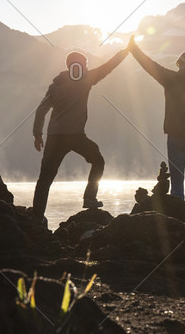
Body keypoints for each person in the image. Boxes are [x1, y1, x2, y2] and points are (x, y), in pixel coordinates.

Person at [31, 44, 130, 222]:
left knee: (45, 178)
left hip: (54, 137)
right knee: (98, 160)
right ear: (77, 65)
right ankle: (89, 199)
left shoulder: (55, 85)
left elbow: (41, 110)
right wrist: (126, 51)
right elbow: (108, 66)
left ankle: (37, 217)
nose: (86, 65)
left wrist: (37, 134)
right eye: (85, 62)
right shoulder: (86, 78)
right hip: (75, 135)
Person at [127, 37, 185, 202]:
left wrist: (134, 49)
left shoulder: (170, 79)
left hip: (175, 137)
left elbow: (149, 65)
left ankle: (178, 216)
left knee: (177, 182)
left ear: (180, 64)